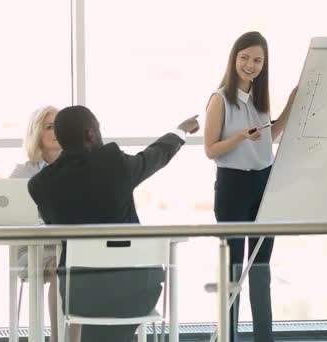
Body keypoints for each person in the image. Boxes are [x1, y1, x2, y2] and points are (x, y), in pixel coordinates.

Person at [28, 105, 199, 342]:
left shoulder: (39, 184)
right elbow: (154, 156)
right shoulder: (114, 163)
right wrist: (181, 131)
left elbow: (52, 223)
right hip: (136, 293)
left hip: (80, 295)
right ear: (90, 134)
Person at [203, 31, 297, 342]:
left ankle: (263, 337)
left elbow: (272, 133)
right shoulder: (219, 100)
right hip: (232, 185)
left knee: (260, 267)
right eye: (245, 58)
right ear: (233, 59)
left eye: (257, 60)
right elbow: (211, 150)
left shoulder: (260, 97)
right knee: (232, 268)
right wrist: (241, 136)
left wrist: (291, 106)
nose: (250, 64)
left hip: (263, 182)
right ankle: (227, 335)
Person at [10, 105, 61, 342]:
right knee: (63, 267)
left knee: (75, 264)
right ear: (37, 132)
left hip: (67, 246)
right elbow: (9, 218)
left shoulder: (77, 168)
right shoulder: (23, 173)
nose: (56, 130)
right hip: (31, 249)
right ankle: (58, 338)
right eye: (49, 126)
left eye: (60, 125)